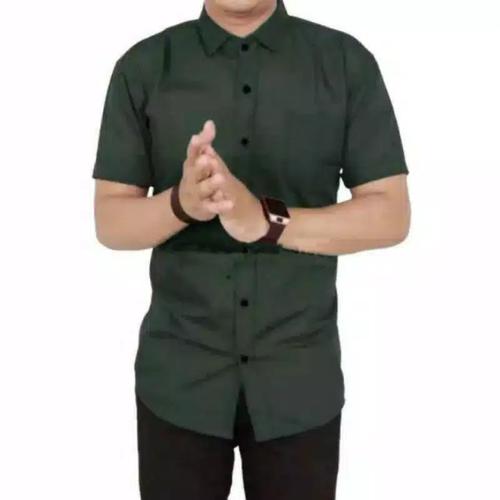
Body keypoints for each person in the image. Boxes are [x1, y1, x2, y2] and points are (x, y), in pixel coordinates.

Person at [92, 0, 411, 498]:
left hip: (298, 382)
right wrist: (182, 204)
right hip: (178, 380)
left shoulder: (344, 63)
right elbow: (111, 222)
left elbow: (391, 214)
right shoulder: (144, 66)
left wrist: (267, 222)